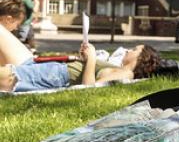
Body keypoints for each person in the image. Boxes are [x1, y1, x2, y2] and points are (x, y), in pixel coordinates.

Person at [0, 21, 160, 92]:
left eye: (134, 49)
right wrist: (85, 59)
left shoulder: (127, 74)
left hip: (54, 76)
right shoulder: (117, 69)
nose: (128, 50)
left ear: (141, 59)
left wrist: (91, 58)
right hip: (47, 68)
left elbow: (89, 90)